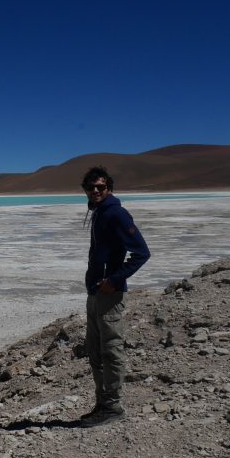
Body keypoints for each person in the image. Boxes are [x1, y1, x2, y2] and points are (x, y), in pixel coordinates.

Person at [79, 166, 150, 428]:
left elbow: (142, 253)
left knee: (110, 349)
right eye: (91, 187)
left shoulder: (116, 214)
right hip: (95, 292)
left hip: (109, 293)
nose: (95, 191)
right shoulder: (99, 212)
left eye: (101, 186)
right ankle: (102, 404)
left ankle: (112, 407)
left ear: (109, 188)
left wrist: (115, 279)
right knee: (95, 351)